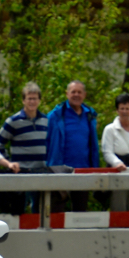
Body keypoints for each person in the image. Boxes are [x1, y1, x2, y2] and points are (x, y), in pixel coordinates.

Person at [45, 80, 99, 212]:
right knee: (56, 212)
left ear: (84, 95)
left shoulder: (90, 115)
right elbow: (45, 142)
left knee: (80, 214)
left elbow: (93, 146)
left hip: (83, 170)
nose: (76, 95)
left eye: (79, 92)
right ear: (67, 94)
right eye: (73, 92)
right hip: (59, 170)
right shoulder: (55, 116)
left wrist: (95, 168)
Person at [0, 82, 48, 214]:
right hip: (20, 172)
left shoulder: (47, 120)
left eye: (35, 98)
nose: (32, 101)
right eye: (29, 98)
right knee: (19, 211)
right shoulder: (13, 121)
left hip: (41, 171)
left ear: (39, 101)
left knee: (40, 210)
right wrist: (8, 163)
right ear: (23, 100)